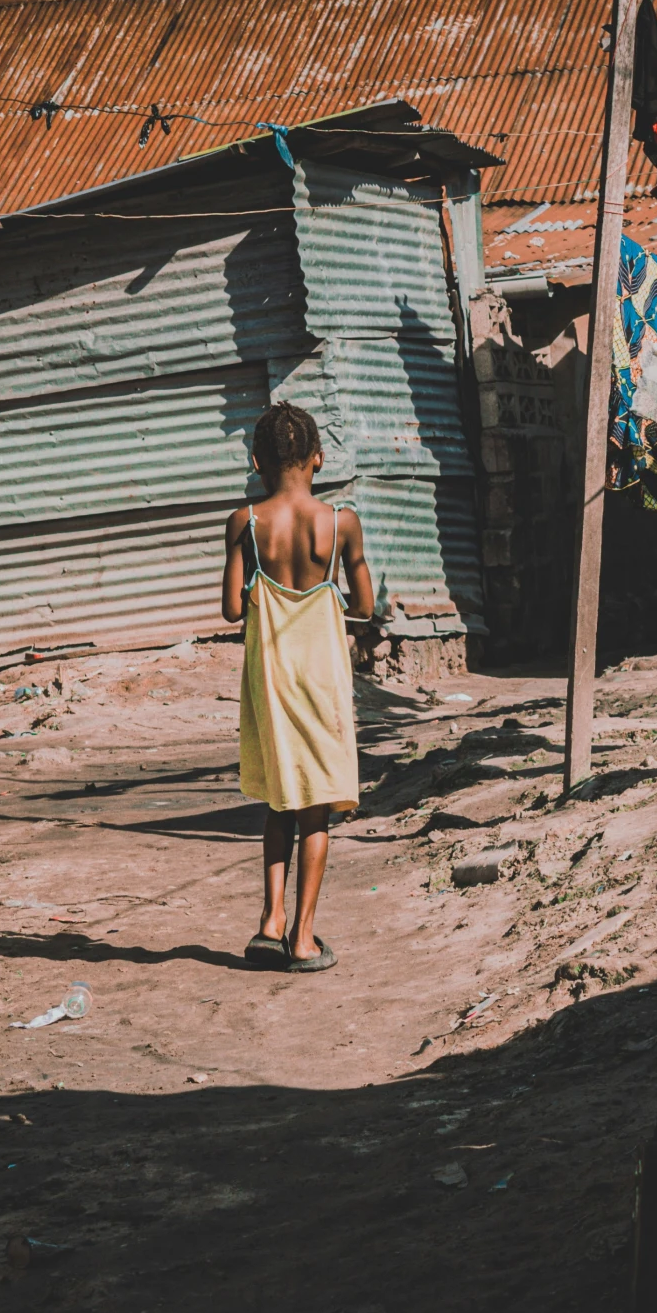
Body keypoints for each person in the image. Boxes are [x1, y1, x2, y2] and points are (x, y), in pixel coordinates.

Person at [221, 402, 377, 973]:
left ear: (256, 461)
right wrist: (330, 592)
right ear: (319, 458)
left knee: (280, 802)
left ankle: (270, 923)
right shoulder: (341, 524)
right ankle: (306, 940)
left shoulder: (245, 524)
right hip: (324, 681)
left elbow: (230, 610)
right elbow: (364, 604)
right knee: (317, 812)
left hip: (272, 680)